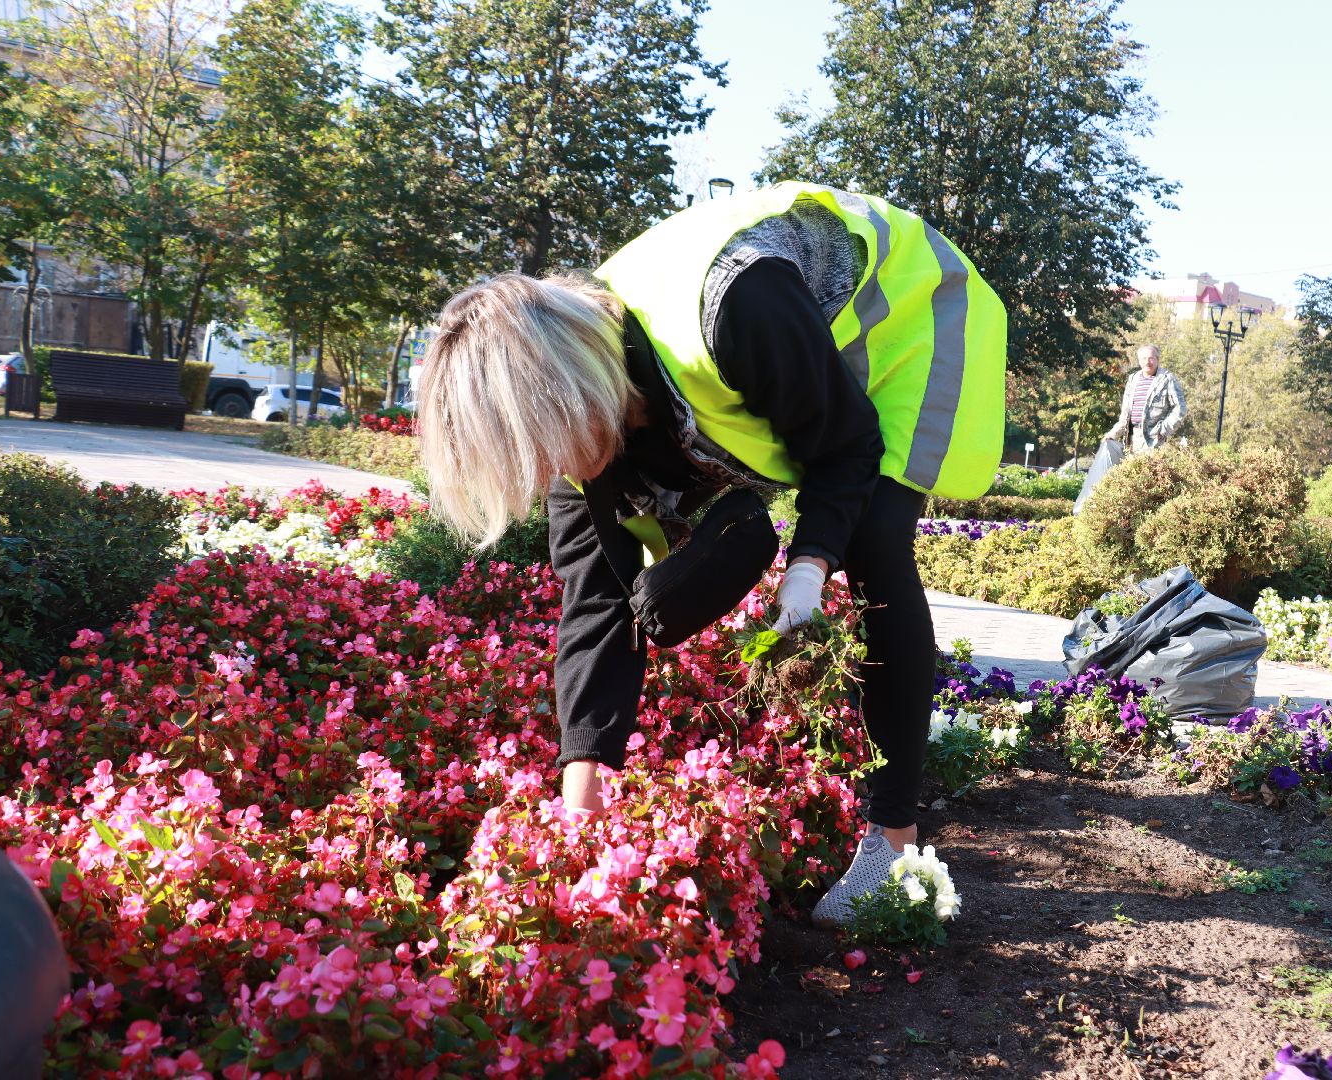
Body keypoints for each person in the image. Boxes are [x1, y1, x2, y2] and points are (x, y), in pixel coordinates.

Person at [417, 181, 1006, 926]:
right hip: (780, 360)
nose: (547, 474)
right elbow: (595, 608)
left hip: (907, 314)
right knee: (642, 582)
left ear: (571, 394)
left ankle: (895, 850)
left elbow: (846, 445)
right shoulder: (579, 408)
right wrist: (581, 803)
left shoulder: (739, 306)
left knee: (874, 548)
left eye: (541, 450)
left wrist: (809, 566)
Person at [1104, 344, 1186, 453]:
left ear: (1157, 359)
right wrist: (1113, 434)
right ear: (1139, 360)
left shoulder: (1167, 379)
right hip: (1132, 440)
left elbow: (1180, 408)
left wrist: (1164, 429)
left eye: (1151, 358)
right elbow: (1125, 415)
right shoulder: (1133, 379)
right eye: (1144, 358)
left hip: (1155, 441)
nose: (1147, 362)